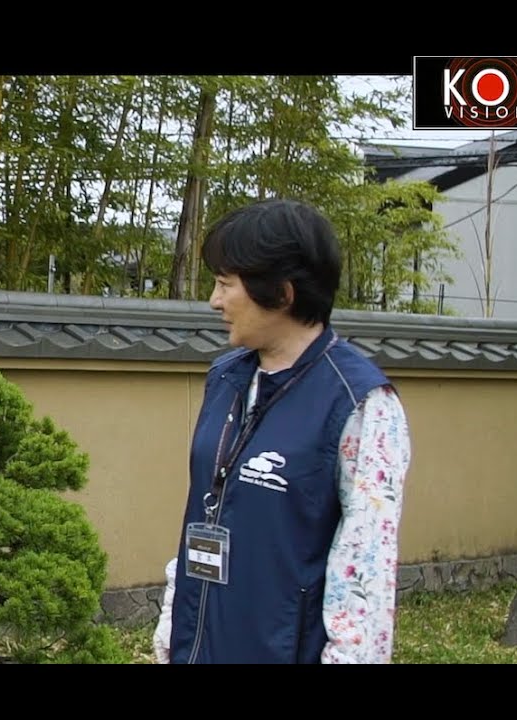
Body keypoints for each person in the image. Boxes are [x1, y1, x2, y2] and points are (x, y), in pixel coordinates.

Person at [152, 198, 412, 664]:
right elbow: (202, 512)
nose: (214, 301)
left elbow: (366, 573)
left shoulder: (360, 403)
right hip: (200, 646)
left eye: (225, 284)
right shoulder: (226, 379)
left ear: (282, 292)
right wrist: (173, 625)